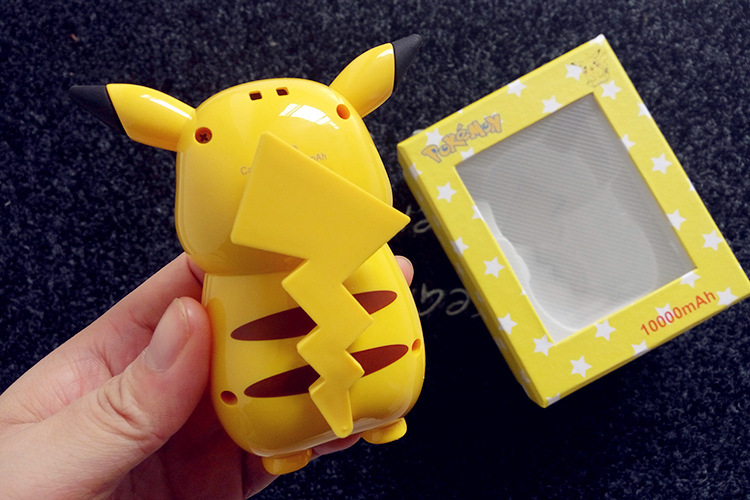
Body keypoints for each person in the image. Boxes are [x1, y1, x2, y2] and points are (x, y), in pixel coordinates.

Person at [0, 253, 414, 498]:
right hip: (266, 408)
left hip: (367, 363)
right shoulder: (229, 266)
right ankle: (290, 447)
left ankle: (358, 425)